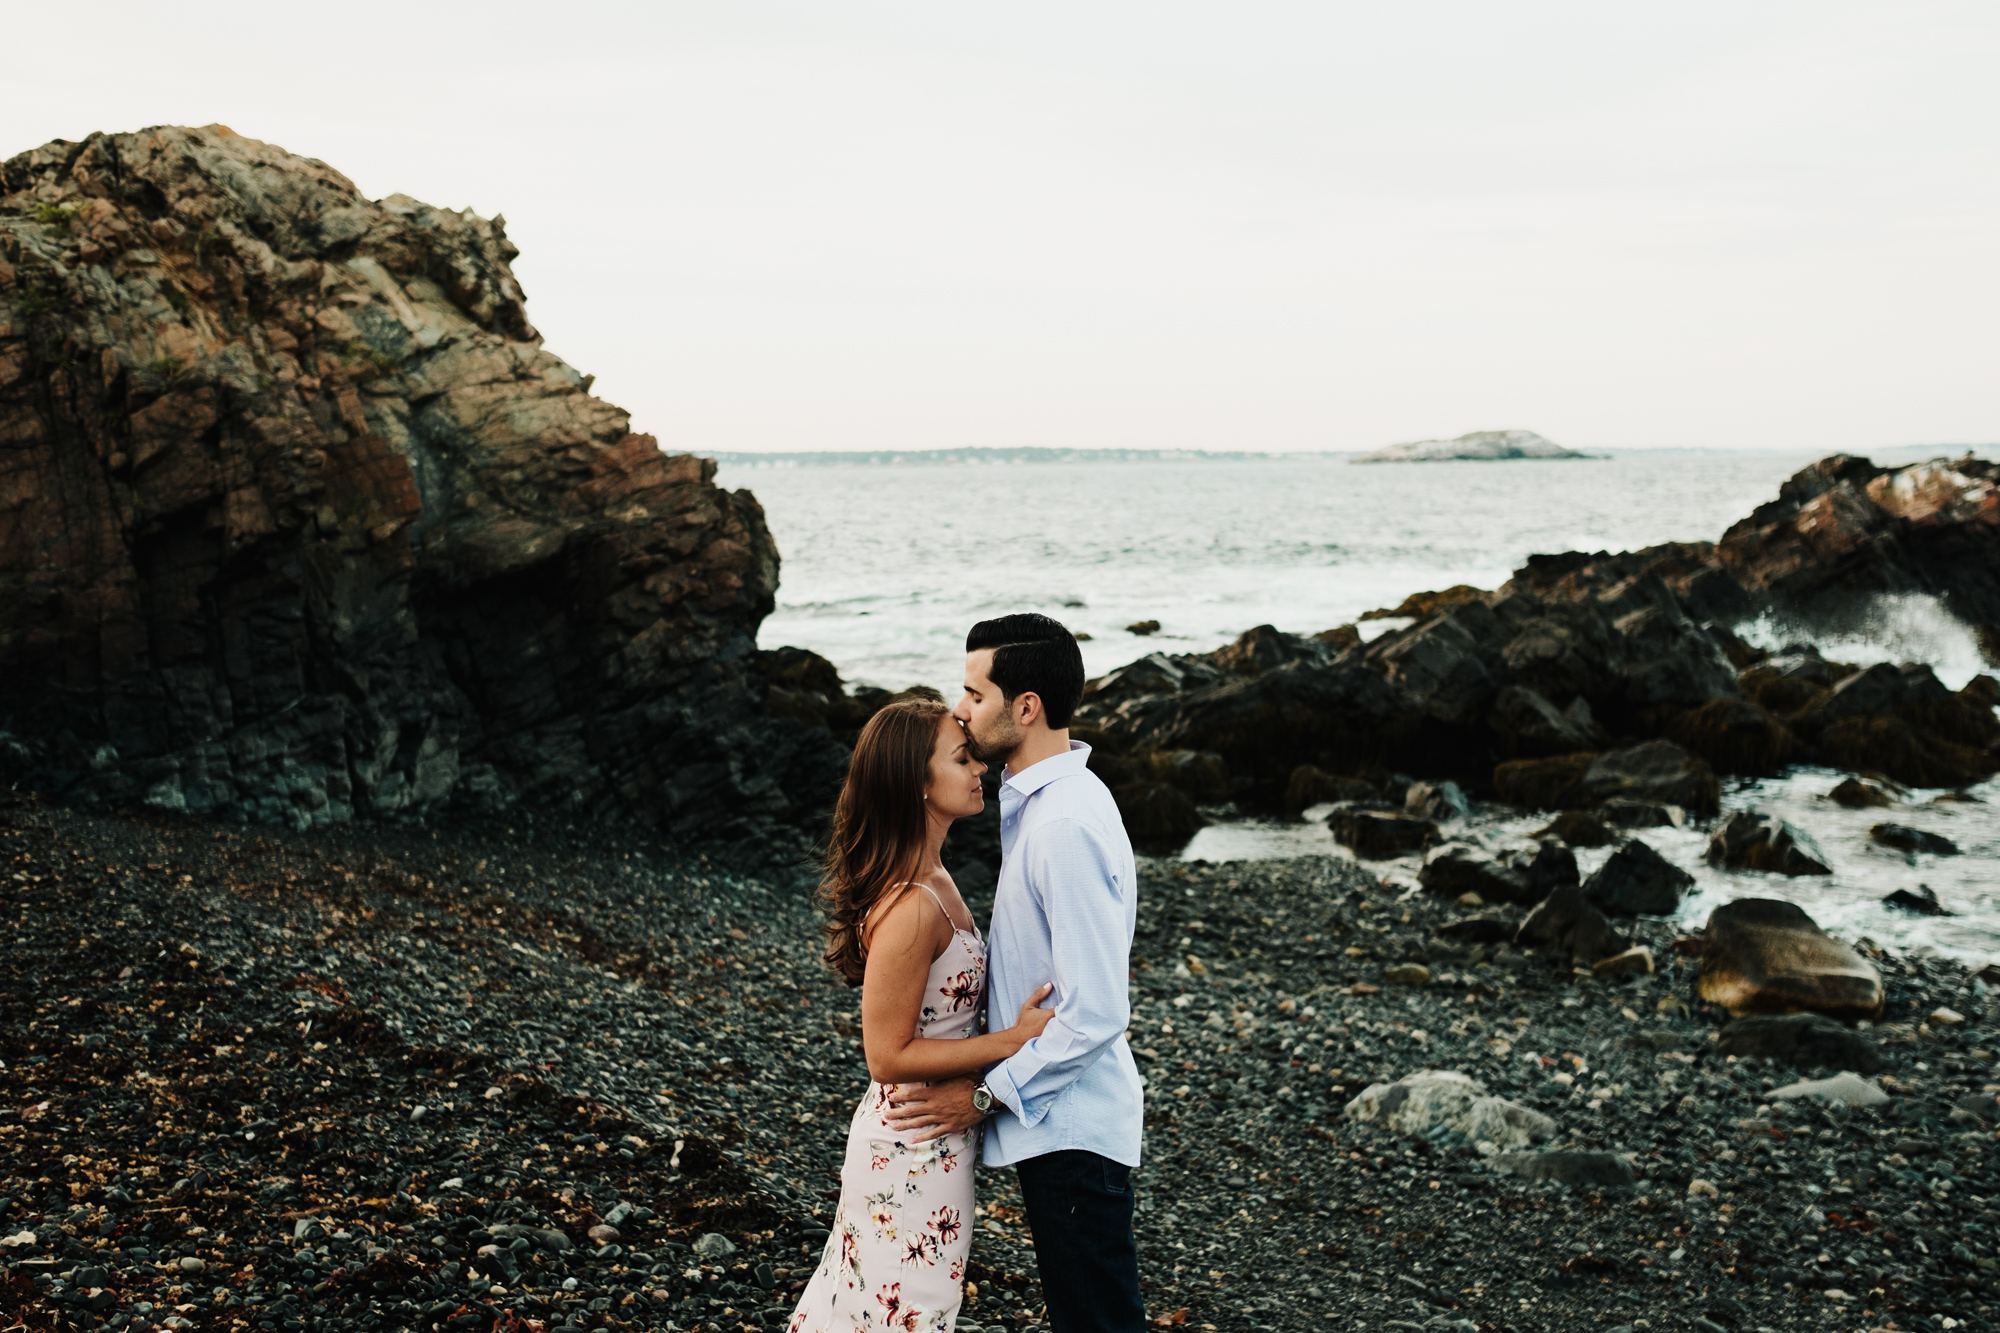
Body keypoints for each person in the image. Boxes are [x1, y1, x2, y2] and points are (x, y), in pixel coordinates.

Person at [887, 614, 1146, 1333]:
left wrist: (983, 1097)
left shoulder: (1063, 823)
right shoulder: (1041, 804)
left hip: (1069, 1121)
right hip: (1056, 1117)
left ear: (1025, 706)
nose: (962, 711)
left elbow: (1096, 1011)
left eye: (973, 693)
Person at [789, 697, 1056, 1333]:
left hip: (932, 1142)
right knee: (905, 1314)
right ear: (918, 783)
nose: (980, 770)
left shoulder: (936, 876)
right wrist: (1012, 1042)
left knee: (884, 1310)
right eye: (961, 759)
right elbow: (886, 1056)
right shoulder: (911, 905)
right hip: (907, 1148)